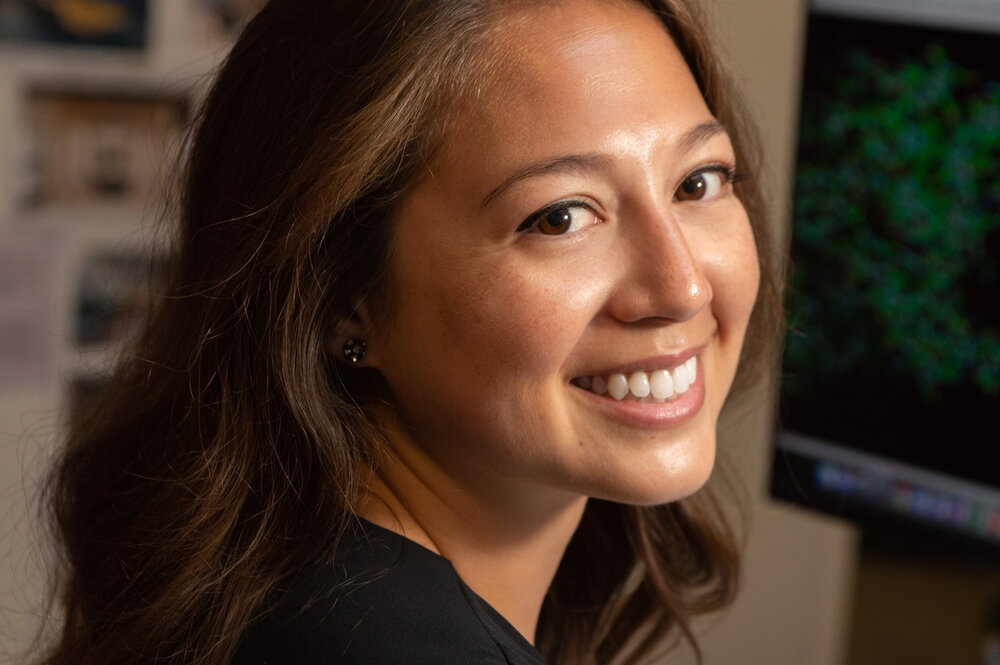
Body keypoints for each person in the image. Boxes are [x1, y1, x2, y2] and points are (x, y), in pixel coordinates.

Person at [37, 0, 783, 664]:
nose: (681, 287)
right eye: (559, 217)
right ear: (340, 297)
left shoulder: (281, 592)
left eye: (698, 182)